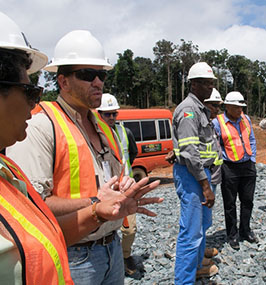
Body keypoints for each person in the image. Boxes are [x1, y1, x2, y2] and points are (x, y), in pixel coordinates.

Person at [0, 12, 162, 284]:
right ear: (62, 81)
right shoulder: (40, 125)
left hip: (110, 246)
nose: (98, 82)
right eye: (87, 75)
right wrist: (96, 204)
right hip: (75, 255)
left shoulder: (103, 124)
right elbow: (32, 206)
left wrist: (121, 195)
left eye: (101, 75)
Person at [173, 62, 219, 283]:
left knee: (202, 226)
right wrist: (205, 186)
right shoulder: (188, 110)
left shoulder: (200, 109)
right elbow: (190, 153)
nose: (210, 87)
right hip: (192, 176)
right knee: (191, 234)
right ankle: (184, 281)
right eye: (206, 83)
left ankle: (197, 267)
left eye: (211, 83)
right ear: (193, 84)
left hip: (202, 175)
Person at [97, 93, 143, 279]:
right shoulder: (90, 133)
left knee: (129, 229)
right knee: (103, 231)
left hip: (125, 191)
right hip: (101, 193)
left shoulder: (125, 132)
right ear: (98, 113)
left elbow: (132, 153)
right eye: (107, 114)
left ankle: (125, 257)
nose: (111, 118)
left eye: (114, 114)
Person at [212, 91, 258, 250]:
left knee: (248, 201)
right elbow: (216, 146)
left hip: (247, 166)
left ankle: (245, 230)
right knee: (230, 204)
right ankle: (232, 235)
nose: (240, 110)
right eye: (237, 107)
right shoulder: (218, 122)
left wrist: (252, 159)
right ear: (228, 106)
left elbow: (252, 139)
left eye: (241, 107)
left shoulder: (246, 119)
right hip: (229, 168)